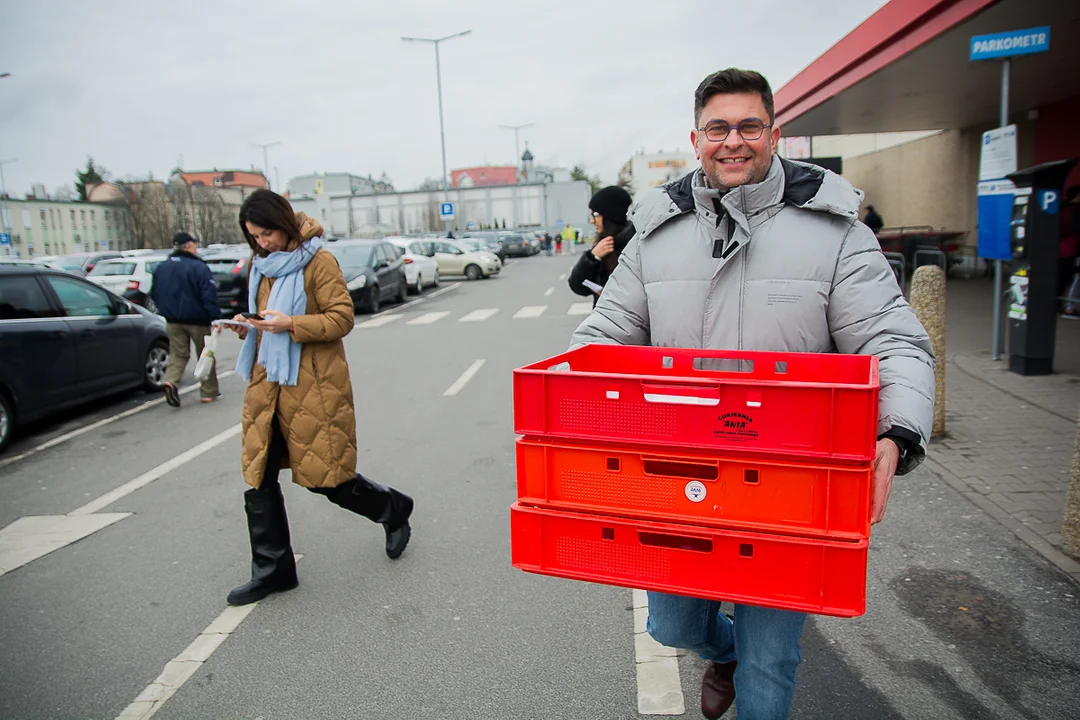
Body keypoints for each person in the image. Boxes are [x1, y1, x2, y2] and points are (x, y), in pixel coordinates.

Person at [570, 68, 934, 720]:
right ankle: (721, 650)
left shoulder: (835, 230)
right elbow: (605, 335)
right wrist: (569, 392)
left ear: (774, 134)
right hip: (680, 477)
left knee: (772, 668)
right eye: (718, 128)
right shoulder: (656, 233)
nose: (732, 141)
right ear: (696, 139)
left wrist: (898, 430)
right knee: (673, 626)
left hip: (790, 484)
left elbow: (894, 340)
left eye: (748, 126)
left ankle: (750, 664)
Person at [223, 189, 414, 606]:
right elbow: (266, 319)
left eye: (267, 234)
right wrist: (248, 325)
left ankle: (392, 508)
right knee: (259, 477)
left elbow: (341, 318)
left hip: (311, 386)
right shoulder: (264, 266)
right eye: (254, 237)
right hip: (268, 384)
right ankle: (273, 571)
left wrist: (291, 323)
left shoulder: (318, 260)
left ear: (285, 223)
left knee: (328, 480)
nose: (262, 244)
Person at [150, 232, 222, 407]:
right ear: (188, 246)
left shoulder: (162, 267)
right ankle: (208, 391)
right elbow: (208, 294)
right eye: (194, 245)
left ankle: (170, 381)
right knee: (206, 354)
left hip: (173, 320)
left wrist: (165, 311)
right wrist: (216, 317)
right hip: (198, 319)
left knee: (178, 354)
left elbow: (154, 293)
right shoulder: (198, 267)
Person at [567, 186, 635, 306]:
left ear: (610, 215)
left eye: (595, 214)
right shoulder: (602, 245)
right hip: (605, 320)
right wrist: (592, 257)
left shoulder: (634, 246)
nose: (591, 221)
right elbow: (577, 286)